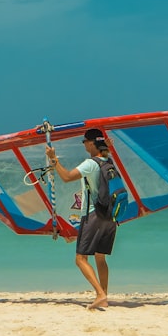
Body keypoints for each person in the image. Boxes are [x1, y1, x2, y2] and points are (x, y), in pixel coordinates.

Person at [46, 128, 117, 310]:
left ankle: (100, 294)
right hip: (110, 216)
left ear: (92, 143)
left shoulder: (91, 163)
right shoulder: (108, 161)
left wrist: (54, 161)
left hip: (93, 215)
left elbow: (67, 177)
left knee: (80, 259)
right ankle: (104, 296)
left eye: (85, 141)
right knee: (100, 258)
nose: (84, 144)